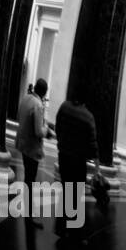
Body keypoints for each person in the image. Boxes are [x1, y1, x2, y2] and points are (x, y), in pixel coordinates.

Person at [53, 95, 98, 241]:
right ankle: (74, 233)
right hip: (78, 161)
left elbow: (57, 127)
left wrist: (62, 143)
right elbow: (92, 145)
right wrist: (97, 168)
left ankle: (61, 228)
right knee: (76, 195)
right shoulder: (88, 116)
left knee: (66, 190)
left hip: (64, 156)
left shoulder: (64, 106)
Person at [14, 78, 49, 194]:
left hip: (22, 143)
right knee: (30, 179)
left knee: (27, 176)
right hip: (32, 148)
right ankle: (28, 209)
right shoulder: (38, 105)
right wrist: (47, 130)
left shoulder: (26, 98)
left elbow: (19, 116)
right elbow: (39, 132)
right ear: (44, 92)